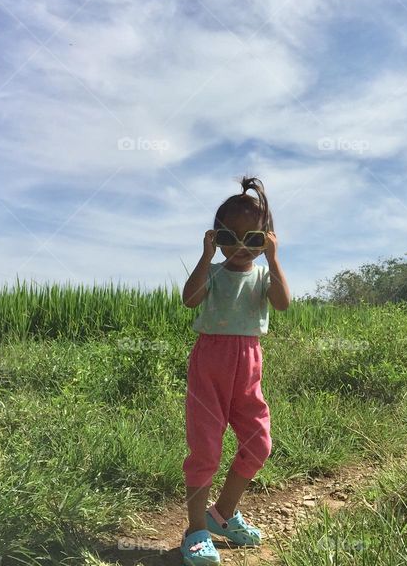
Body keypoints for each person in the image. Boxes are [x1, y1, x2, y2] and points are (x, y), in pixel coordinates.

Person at [179, 176, 291, 565]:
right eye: (230, 237)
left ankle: (222, 515)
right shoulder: (212, 273)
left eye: (254, 239)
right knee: (206, 448)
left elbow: (282, 304)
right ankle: (195, 530)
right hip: (209, 362)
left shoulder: (263, 275)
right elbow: (188, 299)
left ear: (268, 239)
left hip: (248, 363)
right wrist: (206, 257)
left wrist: (274, 260)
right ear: (216, 237)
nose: (242, 246)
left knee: (259, 443)